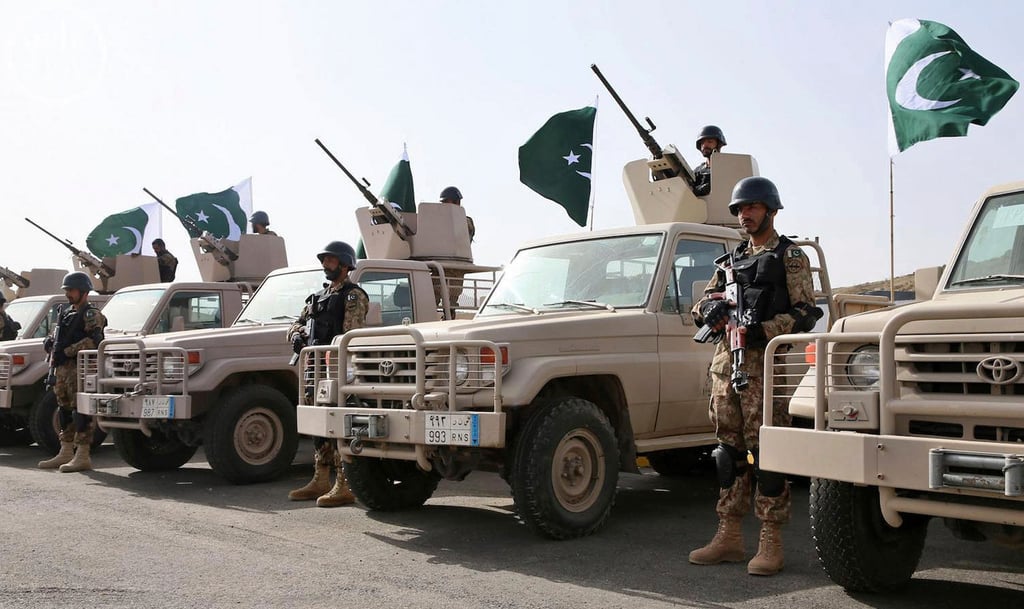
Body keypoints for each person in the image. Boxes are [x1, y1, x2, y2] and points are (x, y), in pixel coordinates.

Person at [688, 176, 821, 576]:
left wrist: (762, 329)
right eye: (740, 209)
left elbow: (805, 312)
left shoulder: (789, 256)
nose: (744, 214)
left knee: (767, 456)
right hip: (726, 366)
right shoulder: (730, 261)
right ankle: (729, 535)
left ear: (771, 210)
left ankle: (770, 540)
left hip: (765, 366)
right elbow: (702, 305)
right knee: (727, 454)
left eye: (752, 207)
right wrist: (708, 311)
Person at [286, 241, 368, 507]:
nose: (325, 264)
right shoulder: (316, 297)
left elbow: (350, 334)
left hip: (337, 368)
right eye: (324, 260)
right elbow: (296, 323)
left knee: (338, 422)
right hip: (314, 368)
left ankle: (344, 483)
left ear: (344, 264)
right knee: (317, 423)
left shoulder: (353, 296)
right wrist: (296, 334)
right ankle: (320, 478)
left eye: (330, 260)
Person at [38, 272, 107, 473]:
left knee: (81, 411)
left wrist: (67, 351)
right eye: (67, 290)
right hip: (63, 370)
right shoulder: (66, 314)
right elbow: (55, 337)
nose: (68, 294)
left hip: (80, 369)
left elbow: (95, 341)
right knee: (64, 410)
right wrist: (49, 343)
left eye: (72, 290)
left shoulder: (91, 314)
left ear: (83, 292)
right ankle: (66, 450)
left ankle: (83, 455)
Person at [438, 186, 475, 314]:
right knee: (432, 298)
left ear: (456, 202)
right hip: (438, 265)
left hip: (456, 266)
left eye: (446, 202)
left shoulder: (465, 221)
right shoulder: (436, 220)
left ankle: (449, 317)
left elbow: (464, 230)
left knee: (451, 302)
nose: (444, 206)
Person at [693, 125, 726, 197]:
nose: (705, 145)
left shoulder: (726, 168)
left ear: (718, 144)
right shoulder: (697, 171)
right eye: (702, 143)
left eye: (710, 142)